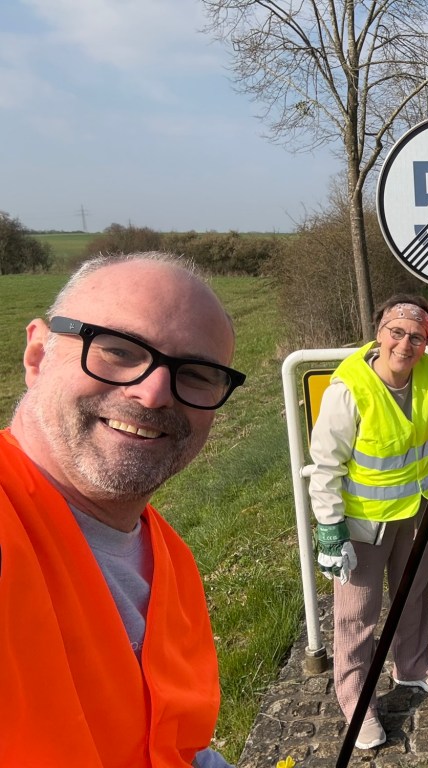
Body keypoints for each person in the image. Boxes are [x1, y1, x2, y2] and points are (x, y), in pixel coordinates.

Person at [1, 253, 245, 767]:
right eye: (118, 350)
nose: (153, 394)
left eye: (197, 374)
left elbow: (174, 749)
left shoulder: (171, 563)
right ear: (38, 355)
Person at [308, 294, 428, 751]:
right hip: (363, 523)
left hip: (417, 509)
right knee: (357, 614)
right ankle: (357, 701)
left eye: (417, 337)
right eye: (396, 332)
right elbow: (325, 464)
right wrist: (329, 528)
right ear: (379, 333)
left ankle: (412, 664)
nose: (405, 344)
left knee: (415, 592)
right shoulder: (349, 388)